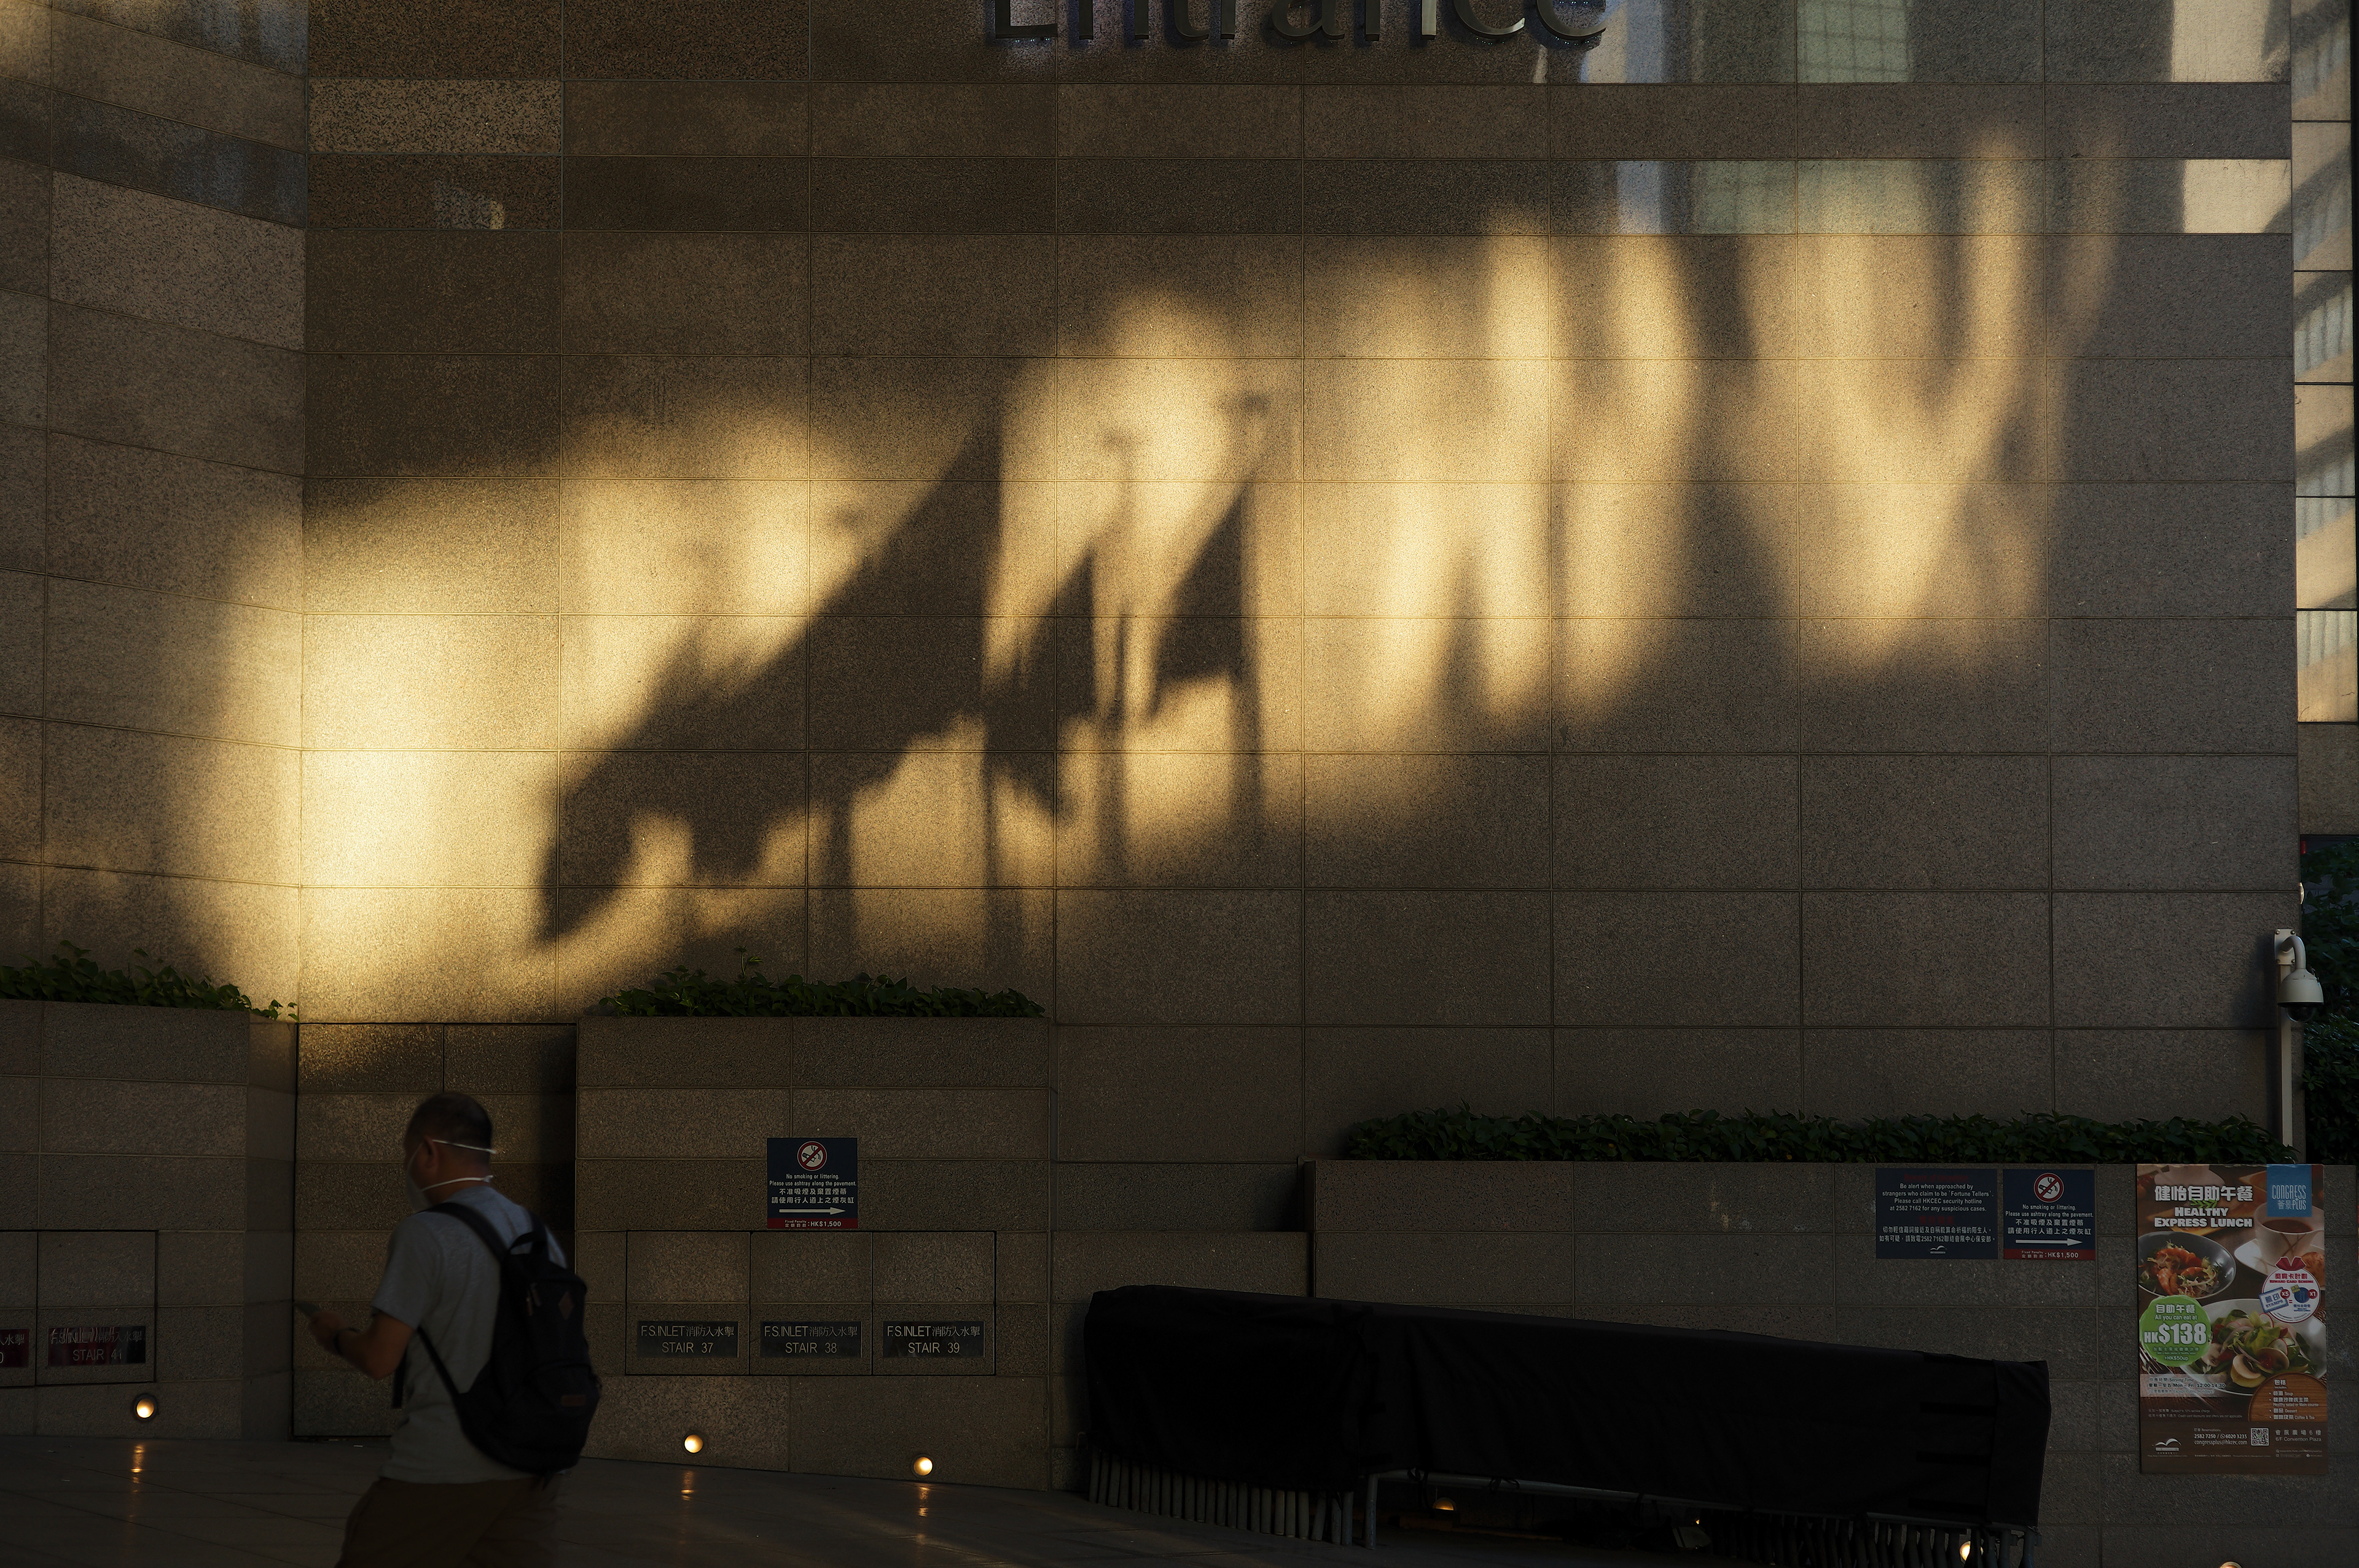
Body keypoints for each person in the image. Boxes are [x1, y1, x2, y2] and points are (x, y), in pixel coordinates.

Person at [308, 1092, 567, 1567]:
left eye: (407, 1155)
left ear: (428, 1151)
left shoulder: (425, 1233)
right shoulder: (535, 1231)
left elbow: (380, 1358)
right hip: (529, 1461)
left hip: (442, 1462)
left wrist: (336, 1334)